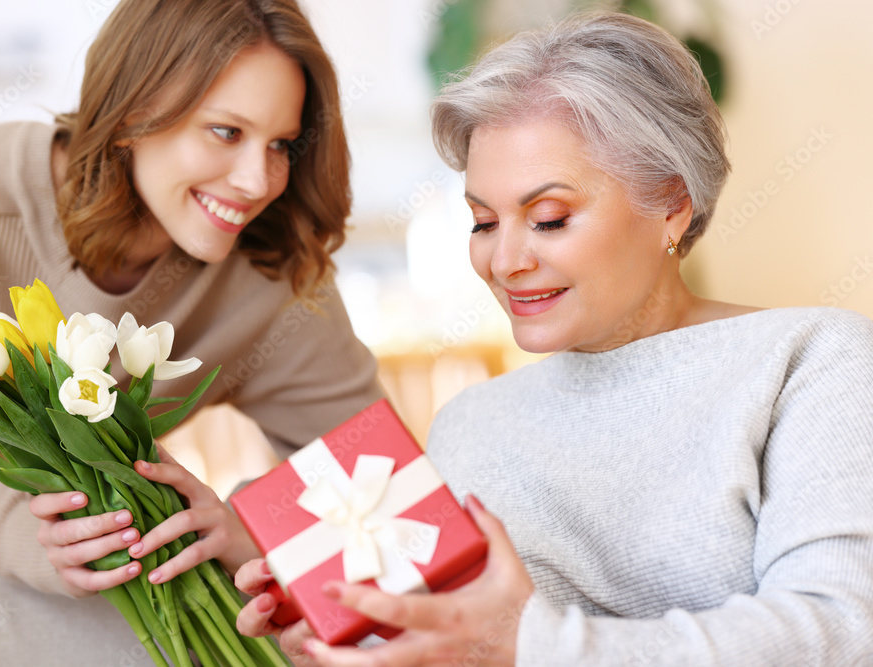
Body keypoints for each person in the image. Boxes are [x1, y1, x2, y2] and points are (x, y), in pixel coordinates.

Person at [230, 12, 873, 666]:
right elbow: (458, 645)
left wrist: (531, 643)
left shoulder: (811, 361)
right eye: (483, 221)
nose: (505, 261)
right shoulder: (471, 426)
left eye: (548, 218)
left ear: (672, 203)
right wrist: (352, 629)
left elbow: (841, 629)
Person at [0, 0, 381, 664]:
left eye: (280, 144)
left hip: (107, 548)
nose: (259, 180)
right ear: (131, 115)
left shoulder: (269, 268)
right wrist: (37, 541)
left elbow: (379, 478)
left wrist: (245, 525)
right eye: (226, 132)